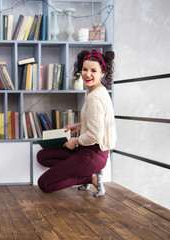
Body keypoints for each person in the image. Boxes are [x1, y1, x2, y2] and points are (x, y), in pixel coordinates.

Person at [37, 50, 116, 196]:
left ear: (102, 73)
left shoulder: (95, 98)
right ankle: (76, 169)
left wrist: (75, 141)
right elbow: (99, 121)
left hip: (93, 154)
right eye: (85, 69)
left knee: (44, 184)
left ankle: (89, 177)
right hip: (87, 150)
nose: (88, 74)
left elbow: (95, 135)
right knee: (42, 156)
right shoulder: (97, 91)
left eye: (94, 70)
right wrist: (78, 125)